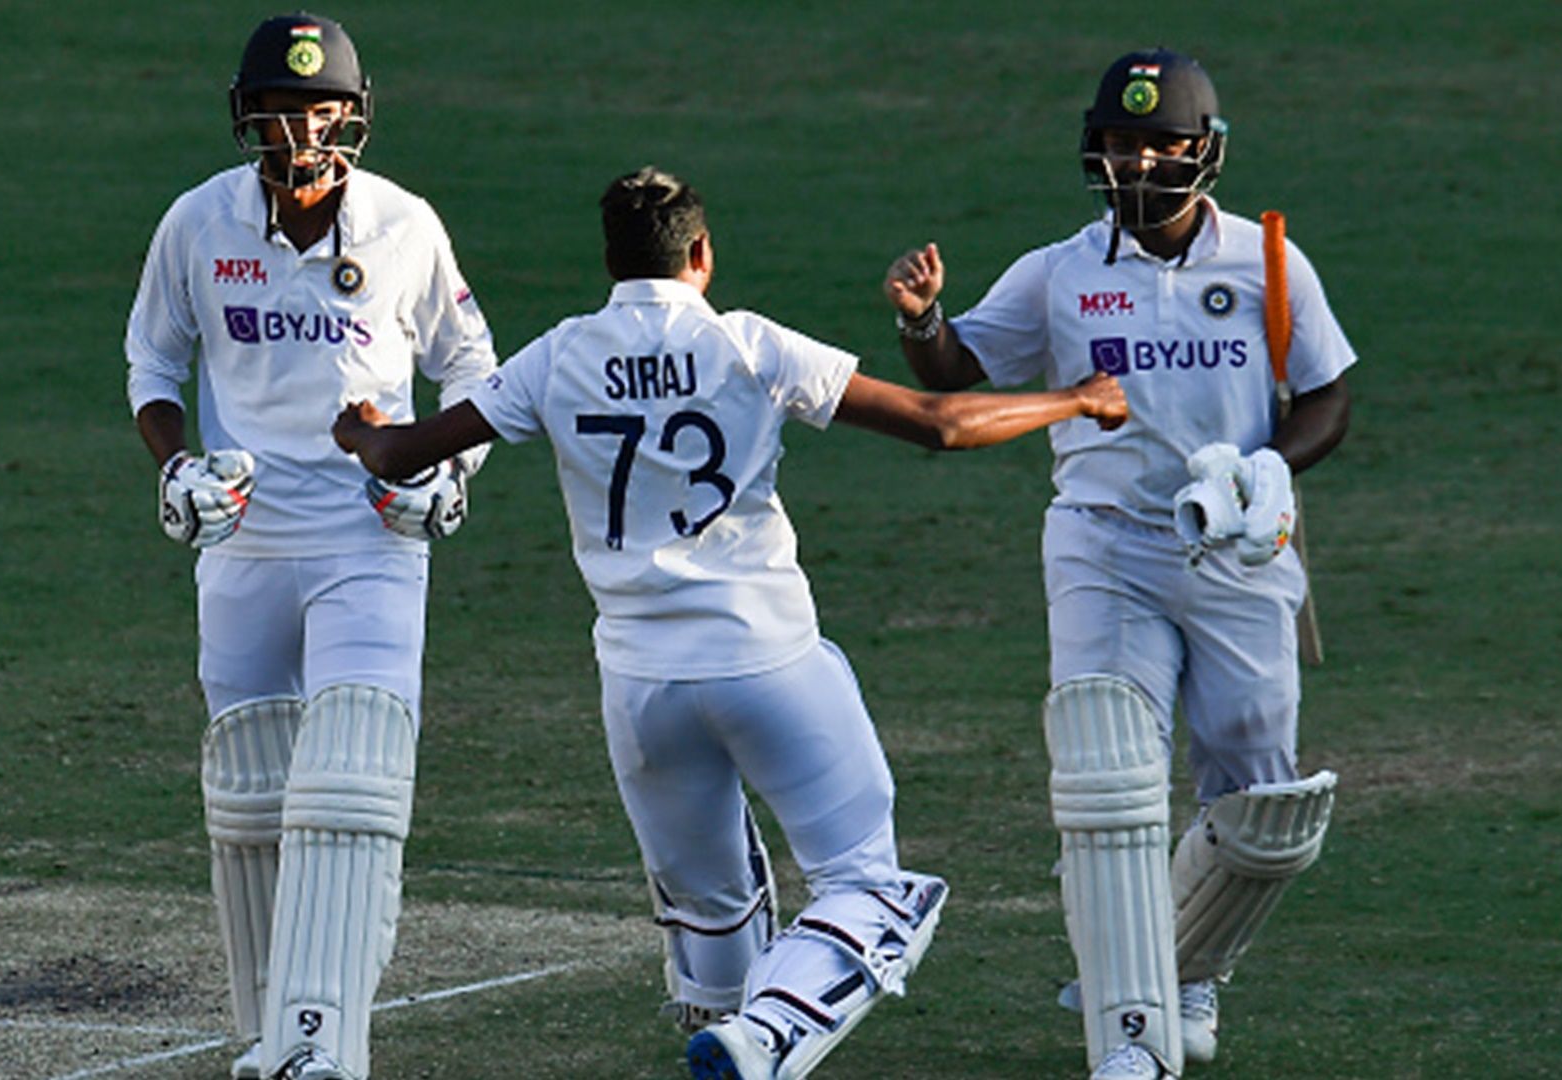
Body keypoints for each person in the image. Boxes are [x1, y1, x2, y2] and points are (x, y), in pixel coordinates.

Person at [332, 166, 1126, 1080]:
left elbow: (399, 451)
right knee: (870, 889)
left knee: (712, 928)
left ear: (609, 260)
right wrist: (1079, 399)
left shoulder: (558, 355)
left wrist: (358, 431)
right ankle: (763, 1039)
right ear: (702, 256)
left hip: (639, 690)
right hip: (768, 664)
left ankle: (730, 1027)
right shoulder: (748, 345)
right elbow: (940, 423)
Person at [883, 47, 1350, 1080]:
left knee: (1259, 808)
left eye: (1159, 144)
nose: (1137, 164)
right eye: (1119, 144)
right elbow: (962, 371)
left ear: (1204, 153)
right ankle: (1140, 1013)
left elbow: (1327, 395)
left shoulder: (1270, 265)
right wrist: (922, 321)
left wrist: (1268, 467)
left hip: (1235, 553)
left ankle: (1183, 972)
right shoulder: (1060, 272)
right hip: (1104, 546)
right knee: (1109, 775)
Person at [122, 12, 496, 1080]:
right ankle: (269, 1035)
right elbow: (150, 363)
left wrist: (446, 474)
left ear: (355, 116)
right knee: (249, 796)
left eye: (320, 109)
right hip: (240, 540)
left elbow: (476, 370)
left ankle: (324, 1048)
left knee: (352, 784)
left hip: (366, 540)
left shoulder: (404, 225)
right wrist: (176, 464)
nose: (300, 133)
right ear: (248, 118)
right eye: (281, 111)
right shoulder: (198, 223)